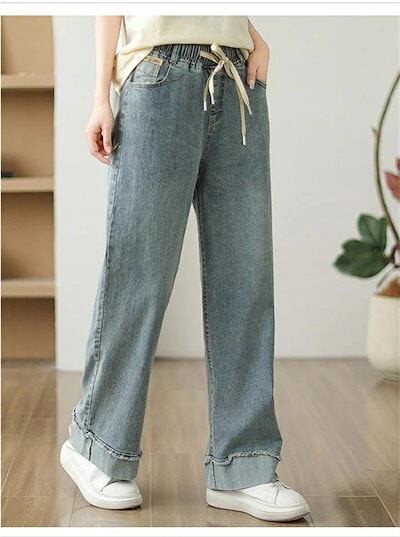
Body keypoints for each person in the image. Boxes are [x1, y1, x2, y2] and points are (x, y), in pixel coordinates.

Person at [60, 15, 310, 522]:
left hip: (236, 79)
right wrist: (100, 95)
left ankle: (243, 466)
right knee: (139, 274)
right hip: (158, 75)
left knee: (246, 277)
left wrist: (252, 36)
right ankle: (95, 446)